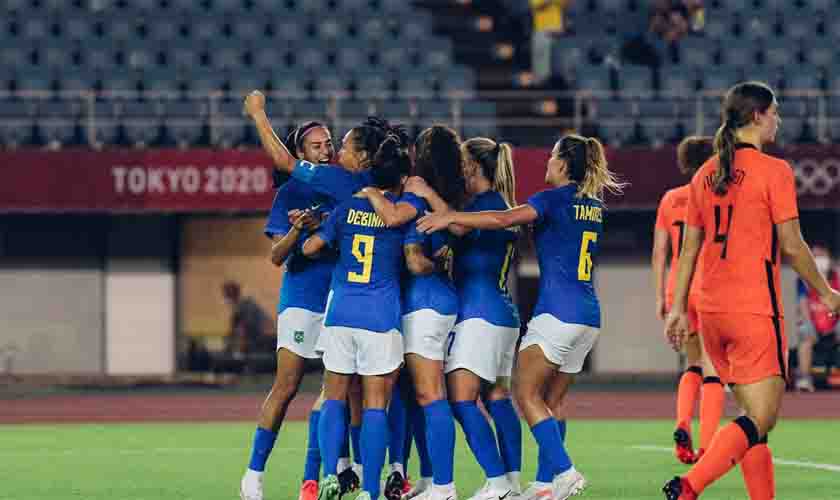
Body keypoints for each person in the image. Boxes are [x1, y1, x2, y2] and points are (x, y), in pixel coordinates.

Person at [418, 133, 625, 500]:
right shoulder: (592, 203)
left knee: (524, 392)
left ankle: (565, 471)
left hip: (556, 314)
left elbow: (503, 218)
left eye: (551, 157)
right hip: (589, 315)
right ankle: (546, 485)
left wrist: (449, 214)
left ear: (562, 164)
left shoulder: (551, 199)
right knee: (552, 401)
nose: (546, 162)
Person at [662, 81, 840, 500]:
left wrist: (676, 309)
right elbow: (792, 245)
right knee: (761, 419)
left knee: (749, 421)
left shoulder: (706, 173)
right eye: (774, 111)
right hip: (754, 310)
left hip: (711, 313)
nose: (778, 119)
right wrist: (827, 293)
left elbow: (688, 248)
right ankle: (689, 486)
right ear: (758, 116)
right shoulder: (773, 171)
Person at [240, 121, 362, 500]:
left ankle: (318, 479)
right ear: (300, 154)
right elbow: (277, 256)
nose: (325, 150)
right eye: (316, 146)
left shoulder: (345, 183)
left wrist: (322, 224)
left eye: (328, 143)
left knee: (336, 391)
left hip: (338, 300)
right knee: (287, 386)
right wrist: (298, 230)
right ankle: (253, 475)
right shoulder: (290, 191)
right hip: (300, 301)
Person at [301, 136, 426, 500]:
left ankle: (329, 476)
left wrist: (318, 229)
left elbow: (310, 248)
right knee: (376, 406)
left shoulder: (344, 208)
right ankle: (371, 490)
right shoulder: (404, 210)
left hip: (341, 315)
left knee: (334, 400)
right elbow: (413, 257)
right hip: (380, 317)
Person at [413, 137, 522, 500]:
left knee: (461, 399)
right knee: (497, 397)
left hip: (480, 313)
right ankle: (512, 479)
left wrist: (428, 194)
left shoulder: (484, 204)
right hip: (502, 312)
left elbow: (457, 227)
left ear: (473, 165)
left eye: (462, 161)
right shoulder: (497, 203)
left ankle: (497, 481)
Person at [365, 126, 467, 500]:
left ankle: (444, 486)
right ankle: (430, 480)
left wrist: (426, 263)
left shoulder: (417, 196)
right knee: (423, 397)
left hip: (424, 304)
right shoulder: (448, 196)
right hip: (441, 302)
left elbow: (414, 261)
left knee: (429, 396)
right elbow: (456, 230)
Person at [653, 136, 724, 465]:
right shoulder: (717, 195)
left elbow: (659, 253)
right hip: (709, 287)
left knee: (691, 363)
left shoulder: (670, 199)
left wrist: (661, 298)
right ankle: (708, 446)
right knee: (714, 370)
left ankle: (683, 422)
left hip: (677, 290)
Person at [794, 244, 839, 392]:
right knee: (804, 330)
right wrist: (808, 322)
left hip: (835, 323)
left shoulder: (837, 277)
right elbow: (802, 304)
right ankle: (805, 379)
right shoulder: (804, 280)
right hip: (814, 325)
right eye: (815, 256)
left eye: (821, 255)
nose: (819, 259)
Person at [222, 281, 273, 371]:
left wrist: (238, 350)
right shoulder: (241, 307)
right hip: (255, 344)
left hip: (258, 345)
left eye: (227, 295)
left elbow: (243, 331)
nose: (226, 299)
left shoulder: (245, 307)